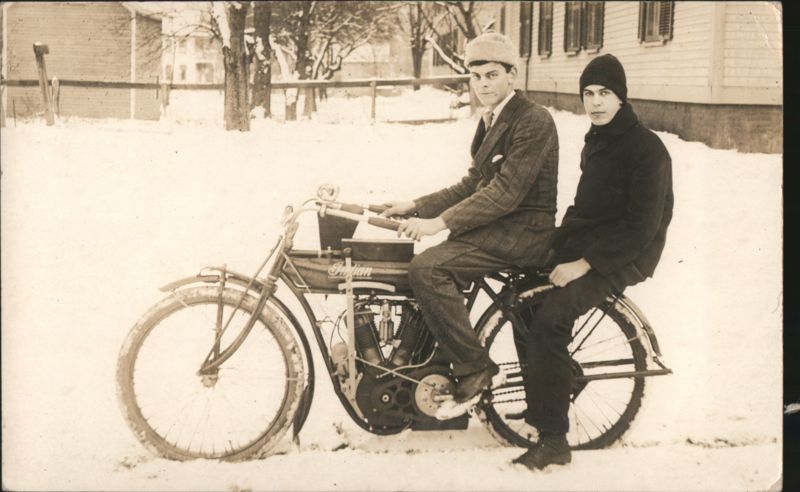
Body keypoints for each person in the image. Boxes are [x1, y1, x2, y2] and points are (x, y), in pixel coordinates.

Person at [511, 53, 674, 470]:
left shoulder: (647, 149)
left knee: (550, 321)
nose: (596, 102)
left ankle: (554, 440)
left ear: (621, 97)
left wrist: (582, 263)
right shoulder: (598, 138)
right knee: (519, 297)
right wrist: (552, 245)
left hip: (622, 256)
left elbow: (640, 228)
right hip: (590, 243)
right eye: (588, 93)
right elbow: (587, 208)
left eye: (605, 93)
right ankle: (544, 398)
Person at [382, 32, 559, 407]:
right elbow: (472, 185)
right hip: (498, 227)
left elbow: (505, 192)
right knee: (430, 263)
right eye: (476, 77)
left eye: (492, 75)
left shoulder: (533, 120)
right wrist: (415, 205)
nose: (483, 85)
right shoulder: (491, 120)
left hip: (523, 233)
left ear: (513, 75)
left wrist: (439, 223)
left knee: (428, 269)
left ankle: (474, 366)